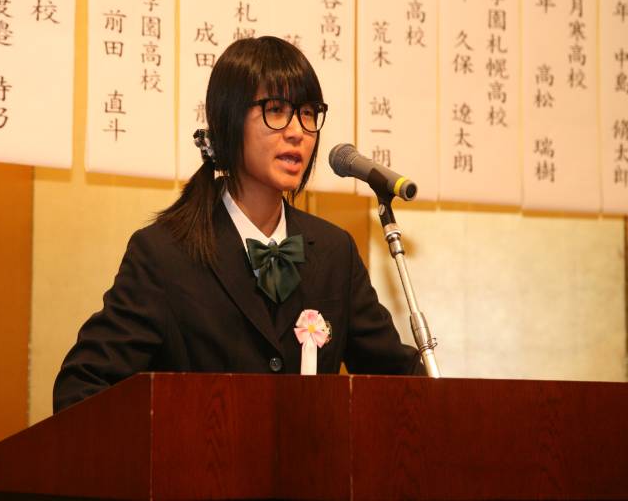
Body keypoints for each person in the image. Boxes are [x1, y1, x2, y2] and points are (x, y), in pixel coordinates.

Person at [53, 36, 424, 413]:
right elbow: (82, 386)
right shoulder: (164, 255)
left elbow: (402, 385)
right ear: (229, 121)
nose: (297, 130)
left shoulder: (334, 253)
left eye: (308, 113)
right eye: (276, 110)